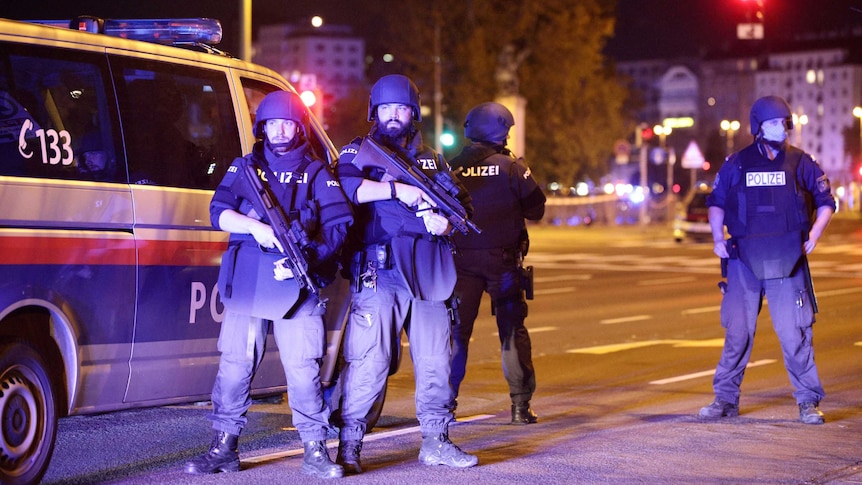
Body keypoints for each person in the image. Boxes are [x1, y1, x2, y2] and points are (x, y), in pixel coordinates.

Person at [184, 90, 353, 478]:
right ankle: (223, 447)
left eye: (287, 123)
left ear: (299, 127)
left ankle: (314, 449)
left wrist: (308, 256)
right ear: (262, 127)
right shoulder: (245, 169)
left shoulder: (315, 172)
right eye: (272, 123)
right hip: (249, 281)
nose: (279, 130)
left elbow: (339, 225)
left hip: (298, 280)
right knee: (234, 366)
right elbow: (217, 212)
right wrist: (257, 228)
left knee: (303, 368)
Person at [334, 74, 478, 474]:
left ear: (412, 112)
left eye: (401, 109)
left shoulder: (431, 159)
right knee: (369, 360)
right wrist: (398, 191)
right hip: (381, 272)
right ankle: (350, 445)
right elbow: (344, 189)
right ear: (374, 112)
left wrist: (444, 224)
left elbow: (461, 207)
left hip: (429, 270)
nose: (393, 116)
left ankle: (435, 440)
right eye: (386, 109)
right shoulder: (357, 151)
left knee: (435, 361)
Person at [698, 95, 835, 425]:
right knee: (737, 334)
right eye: (773, 123)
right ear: (758, 126)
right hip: (744, 258)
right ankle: (725, 400)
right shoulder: (737, 163)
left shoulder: (801, 161)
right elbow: (716, 202)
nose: (781, 128)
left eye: (784, 122)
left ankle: (807, 401)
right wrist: (718, 238)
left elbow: (826, 201)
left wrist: (814, 235)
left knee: (795, 334)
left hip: (788, 259)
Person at [447, 102, 546, 425]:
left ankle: (444, 407)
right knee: (511, 332)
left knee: (455, 335)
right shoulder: (511, 168)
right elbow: (536, 209)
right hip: (502, 264)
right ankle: (520, 407)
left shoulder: (451, 167)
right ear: (502, 130)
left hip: (460, 263)